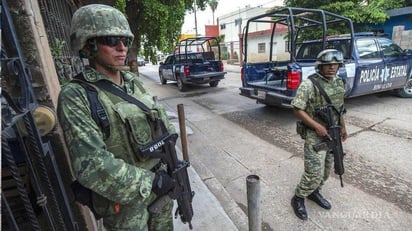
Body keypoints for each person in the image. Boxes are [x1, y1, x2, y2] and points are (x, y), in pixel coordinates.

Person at [57, 4, 175, 230]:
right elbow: (92, 165)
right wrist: (151, 182)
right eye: (111, 40)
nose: (122, 48)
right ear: (88, 44)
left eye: (125, 40)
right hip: (126, 208)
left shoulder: (133, 82)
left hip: (162, 190)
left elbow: (161, 120)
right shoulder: (76, 95)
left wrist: (171, 161)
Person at [290, 49, 348, 220]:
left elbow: (339, 109)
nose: (331, 68)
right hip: (315, 135)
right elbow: (297, 109)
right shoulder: (309, 85)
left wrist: (343, 126)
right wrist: (316, 126)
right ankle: (298, 198)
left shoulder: (339, 82)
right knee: (314, 172)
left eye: (335, 64)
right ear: (320, 66)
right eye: (327, 65)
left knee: (327, 169)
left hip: (333, 132)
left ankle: (314, 192)